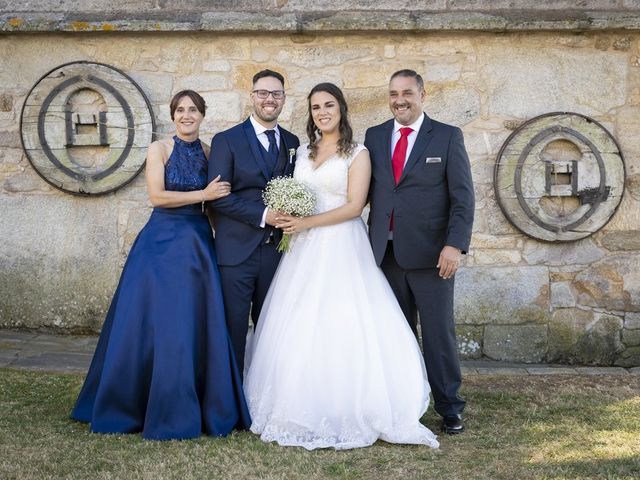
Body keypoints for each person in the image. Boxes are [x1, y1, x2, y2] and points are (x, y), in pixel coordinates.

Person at [244, 83, 439, 450]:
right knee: (300, 323)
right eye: (315, 106)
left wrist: (306, 224)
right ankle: (300, 400)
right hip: (302, 250)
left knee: (343, 320)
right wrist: (292, 217)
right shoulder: (301, 151)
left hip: (341, 245)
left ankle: (352, 403)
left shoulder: (358, 153)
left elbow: (354, 206)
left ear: (341, 108)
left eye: (328, 105)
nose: (322, 112)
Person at [71, 90, 251, 440]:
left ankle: (193, 401)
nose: (187, 115)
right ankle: (134, 403)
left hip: (198, 243)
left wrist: (223, 241)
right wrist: (203, 195)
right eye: (180, 110)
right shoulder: (159, 149)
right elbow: (158, 196)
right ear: (173, 116)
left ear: (202, 115)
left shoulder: (211, 153)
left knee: (191, 322)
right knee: (152, 323)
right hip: (161, 242)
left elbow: (215, 208)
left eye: (193, 110)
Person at [365, 69, 474, 434]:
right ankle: (403, 404)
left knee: (439, 334)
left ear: (423, 95)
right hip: (386, 254)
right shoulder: (375, 137)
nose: (400, 100)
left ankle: (450, 407)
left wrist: (454, 245)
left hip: (432, 256)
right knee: (396, 334)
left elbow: (462, 199)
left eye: (407, 93)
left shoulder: (446, 137)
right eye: (394, 93)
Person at [208, 69, 299, 376]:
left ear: (284, 99)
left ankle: (265, 395)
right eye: (263, 93)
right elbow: (218, 198)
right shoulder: (226, 141)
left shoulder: (292, 142)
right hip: (236, 252)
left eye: (276, 94)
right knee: (233, 327)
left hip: (277, 252)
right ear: (252, 97)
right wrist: (264, 216)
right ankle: (228, 400)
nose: (269, 99)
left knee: (274, 328)